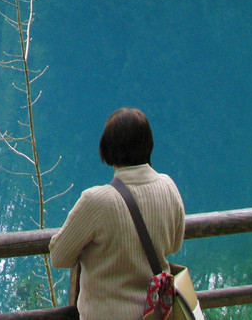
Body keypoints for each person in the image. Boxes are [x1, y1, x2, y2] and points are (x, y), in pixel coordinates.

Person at [49, 108, 185, 320]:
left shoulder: (96, 201)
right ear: (149, 144)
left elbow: (59, 257)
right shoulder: (168, 187)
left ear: (108, 147)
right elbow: (175, 244)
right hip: (156, 313)